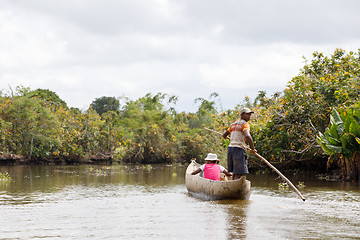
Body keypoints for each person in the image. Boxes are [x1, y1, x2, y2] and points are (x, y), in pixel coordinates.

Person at [223, 107, 257, 180]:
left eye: (250, 114)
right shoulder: (245, 124)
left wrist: (230, 138)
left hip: (231, 149)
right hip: (238, 149)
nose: (249, 116)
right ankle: (235, 189)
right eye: (247, 114)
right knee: (239, 173)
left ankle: (232, 185)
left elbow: (224, 135)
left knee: (235, 172)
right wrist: (253, 149)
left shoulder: (233, 124)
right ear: (242, 115)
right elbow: (247, 136)